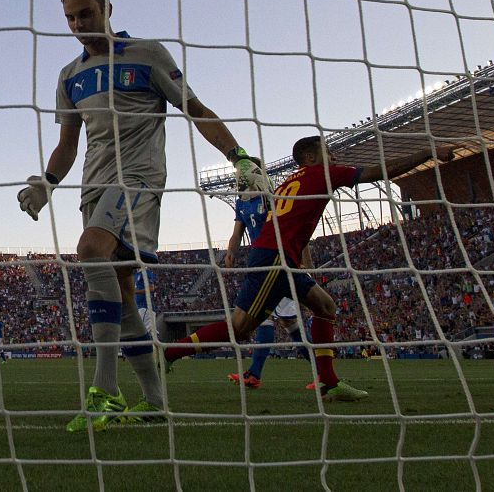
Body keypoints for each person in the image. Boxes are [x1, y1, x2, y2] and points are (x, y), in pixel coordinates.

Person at [17, 0, 267, 433]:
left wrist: (240, 158)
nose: (78, 24)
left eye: (86, 13)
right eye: (70, 17)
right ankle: (154, 402)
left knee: (90, 250)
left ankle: (105, 391)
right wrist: (46, 183)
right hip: (94, 186)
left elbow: (196, 109)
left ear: (108, 8)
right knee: (123, 294)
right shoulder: (69, 76)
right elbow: (68, 143)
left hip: (139, 179)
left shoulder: (148, 55)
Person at [163, 135, 454, 401]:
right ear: (311, 158)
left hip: (280, 257)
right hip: (274, 258)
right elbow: (381, 171)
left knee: (325, 305)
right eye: (328, 152)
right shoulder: (321, 173)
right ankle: (169, 352)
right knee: (239, 328)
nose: (334, 157)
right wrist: (429, 151)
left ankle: (329, 381)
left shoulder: (293, 179)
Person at [223, 157, 317, 390]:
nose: (239, 177)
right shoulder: (242, 202)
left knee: (289, 322)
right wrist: (231, 251)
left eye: (243, 172)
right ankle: (253, 374)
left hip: (280, 261)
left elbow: (293, 227)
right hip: (260, 265)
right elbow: (237, 233)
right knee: (263, 321)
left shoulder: (272, 197)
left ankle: (322, 372)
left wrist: (305, 261)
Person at [134, 267, 156, 337]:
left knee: (141, 332)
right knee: (150, 334)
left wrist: (135, 292)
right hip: (139, 307)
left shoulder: (146, 271)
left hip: (146, 307)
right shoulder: (136, 274)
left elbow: (151, 288)